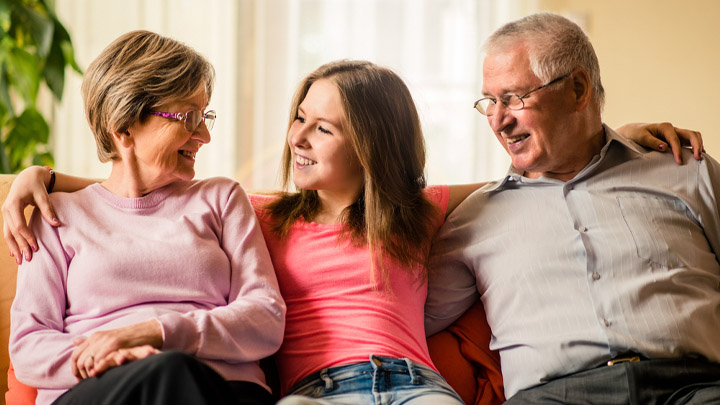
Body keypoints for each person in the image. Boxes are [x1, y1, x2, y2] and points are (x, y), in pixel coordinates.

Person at [1, 57, 704, 403]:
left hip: (416, 384)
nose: (298, 137)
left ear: (368, 143)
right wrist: (42, 177)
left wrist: (612, 142)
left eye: (323, 126)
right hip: (315, 388)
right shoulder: (258, 210)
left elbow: (520, 184)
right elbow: (149, 184)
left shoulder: (422, 209)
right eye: (297, 117)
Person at [424, 12, 720, 404]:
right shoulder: (473, 222)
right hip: (552, 398)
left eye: (513, 98)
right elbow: (399, 320)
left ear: (578, 89)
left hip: (696, 388)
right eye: (490, 102)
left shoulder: (686, 170)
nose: (498, 120)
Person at [7, 30, 285, 405]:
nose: (203, 135)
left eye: (205, 117)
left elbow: (265, 317)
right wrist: (108, 356)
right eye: (187, 117)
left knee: (174, 372)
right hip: (101, 389)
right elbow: (28, 345)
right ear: (123, 128)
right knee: (167, 372)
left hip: (222, 390)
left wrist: (155, 333)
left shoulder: (221, 199)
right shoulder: (56, 216)